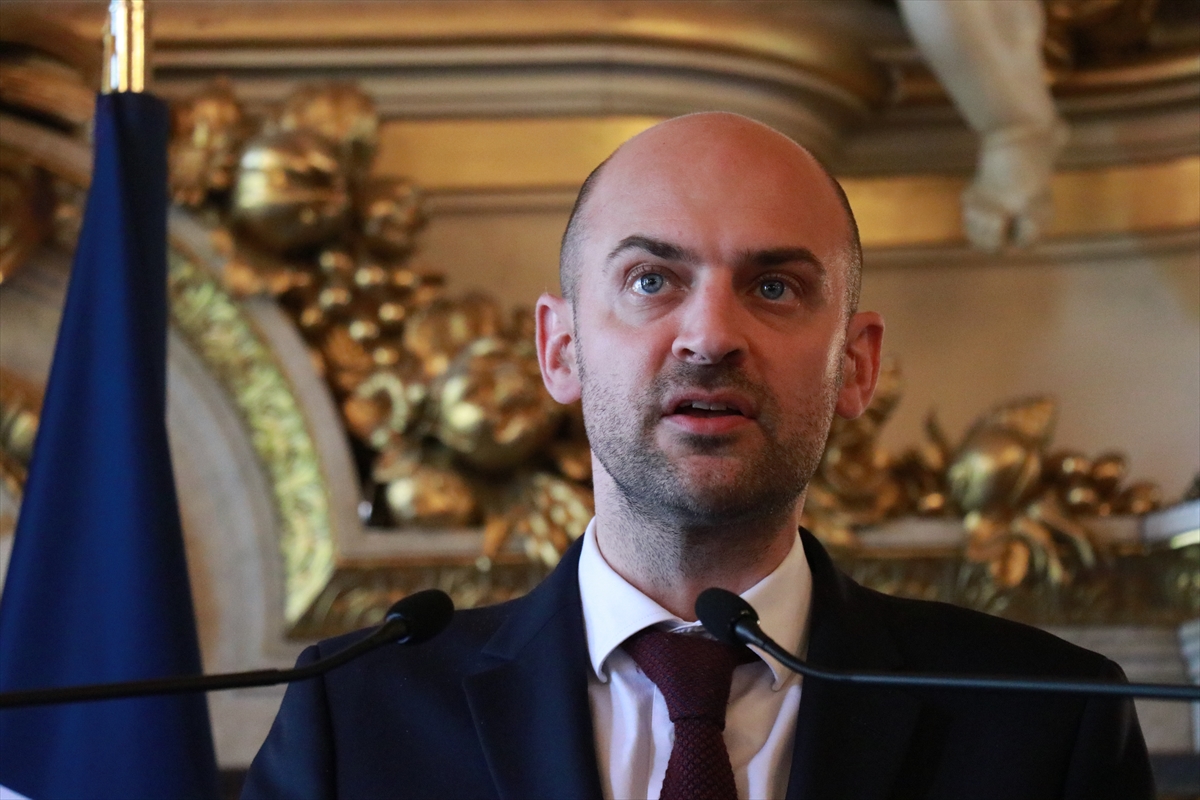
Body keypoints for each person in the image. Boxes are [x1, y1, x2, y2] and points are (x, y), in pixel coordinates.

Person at [242, 113, 1152, 799]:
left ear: (857, 365)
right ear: (559, 349)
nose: (710, 336)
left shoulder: (1045, 716)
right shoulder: (355, 714)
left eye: (774, 286)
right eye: (651, 280)